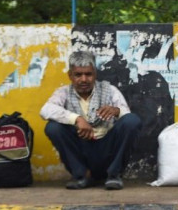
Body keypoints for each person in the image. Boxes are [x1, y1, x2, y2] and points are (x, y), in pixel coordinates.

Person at [41, 50, 142, 190]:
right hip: (81, 150)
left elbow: (127, 115)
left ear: (95, 74)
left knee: (131, 121)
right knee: (53, 128)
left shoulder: (109, 90)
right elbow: (46, 110)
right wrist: (77, 119)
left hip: (106, 149)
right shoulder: (63, 92)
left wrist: (117, 111)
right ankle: (81, 175)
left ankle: (113, 175)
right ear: (70, 76)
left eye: (88, 74)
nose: (83, 79)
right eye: (78, 75)